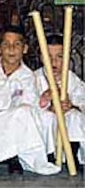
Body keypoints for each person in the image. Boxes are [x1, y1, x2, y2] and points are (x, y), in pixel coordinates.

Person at [0, 25, 60, 175]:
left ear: (24, 49)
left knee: (23, 113)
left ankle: (15, 157)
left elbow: (31, 102)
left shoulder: (28, 75)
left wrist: (45, 98)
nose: (11, 49)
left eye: (17, 44)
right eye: (6, 44)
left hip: (15, 116)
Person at [35, 33, 85, 171]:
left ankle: (72, 154)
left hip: (66, 117)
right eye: (48, 57)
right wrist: (45, 101)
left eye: (59, 57)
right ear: (41, 57)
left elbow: (82, 98)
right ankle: (49, 155)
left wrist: (71, 105)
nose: (54, 62)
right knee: (47, 118)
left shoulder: (70, 78)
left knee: (75, 116)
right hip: (46, 118)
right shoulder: (34, 78)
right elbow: (29, 102)